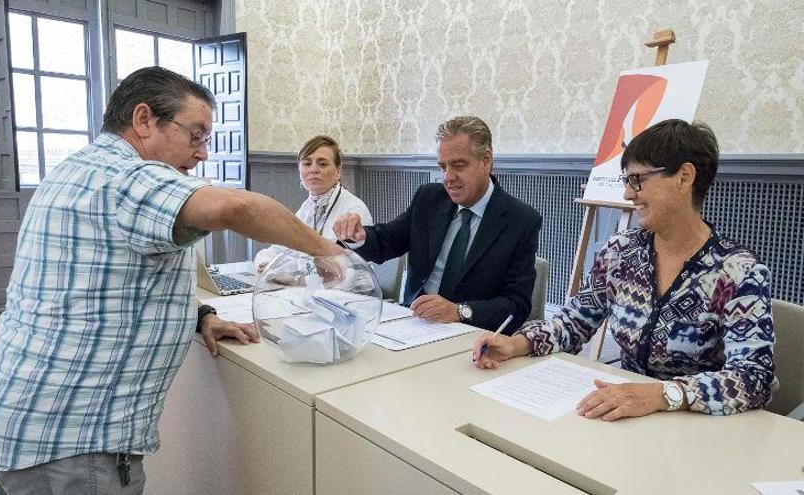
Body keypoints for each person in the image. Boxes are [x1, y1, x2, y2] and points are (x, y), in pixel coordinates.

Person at [0, 66, 343, 494]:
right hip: (72, 443)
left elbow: (103, 284)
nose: (202, 153)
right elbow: (239, 209)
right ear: (144, 120)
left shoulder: (78, 168)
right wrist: (330, 252)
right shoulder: (130, 177)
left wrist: (199, 314)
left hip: (22, 421)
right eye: (196, 135)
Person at [473, 119, 776, 420]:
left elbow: (754, 377)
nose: (628, 195)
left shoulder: (738, 273)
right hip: (625, 416)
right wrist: (516, 343)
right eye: (627, 182)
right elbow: (574, 321)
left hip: (696, 428)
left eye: (637, 180)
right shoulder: (621, 252)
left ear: (684, 177)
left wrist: (663, 394)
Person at [333, 116, 542, 331]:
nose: (448, 177)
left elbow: (517, 305)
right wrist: (359, 236)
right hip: (413, 323)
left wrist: (459, 311)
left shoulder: (521, 220)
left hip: (470, 335)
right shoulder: (429, 198)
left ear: (486, 160)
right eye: (443, 167)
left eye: (458, 165)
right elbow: (388, 240)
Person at [253, 135, 373, 272]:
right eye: (307, 163)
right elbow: (277, 250)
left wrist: (291, 275)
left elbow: (350, 270)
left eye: (322, 164)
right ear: (299, 170)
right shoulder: (307, 208)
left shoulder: (353, 210)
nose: (313, 169)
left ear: (338, 171)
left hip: (345, 291)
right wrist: (267, 266)